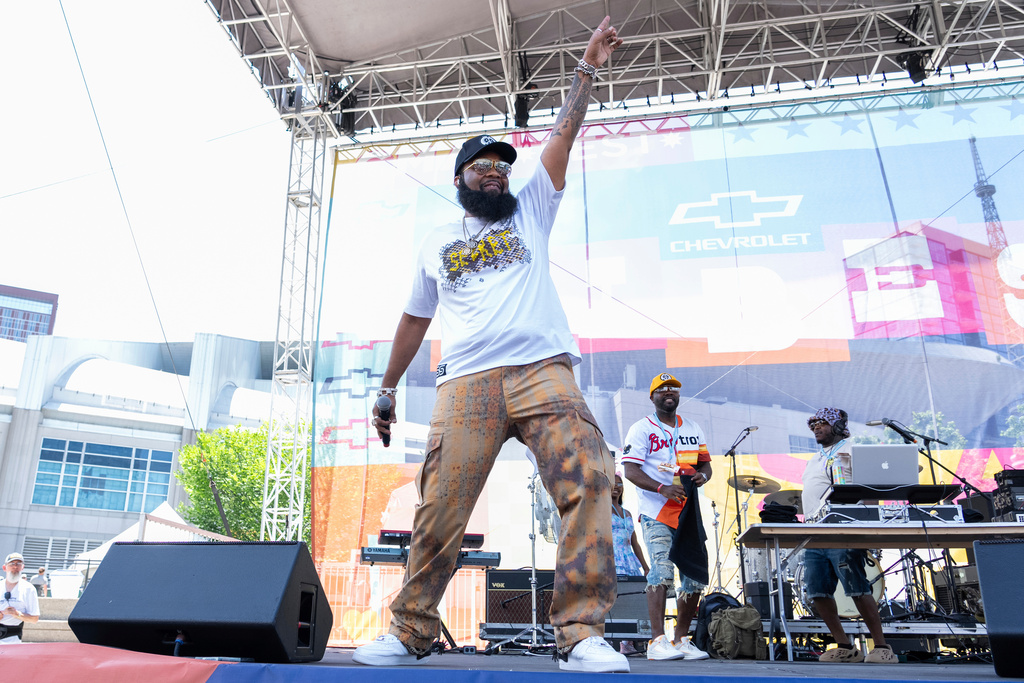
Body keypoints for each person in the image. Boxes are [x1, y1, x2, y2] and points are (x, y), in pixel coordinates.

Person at [353, 17, 626, 673]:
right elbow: (414, 321)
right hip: (465, 383)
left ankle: (581, 632)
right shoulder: (436, 241)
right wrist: (387, 390)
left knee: (588, 477)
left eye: (503, 166)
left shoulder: (532, 207)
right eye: (483, 166)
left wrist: (585, 69)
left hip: (543, 372)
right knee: (439, 507)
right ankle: (412, 629)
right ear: (460, 178)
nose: (497, 173)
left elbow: (563, 134)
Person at [622, 373, 712, 662]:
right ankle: (656, 640)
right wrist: (662, 488)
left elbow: (706, 466)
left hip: (688, 512)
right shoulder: (641, 429)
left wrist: (702, 476)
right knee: (661, 572)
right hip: (657, 512)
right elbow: (631, 471)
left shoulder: (693, 427)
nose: (668, 393)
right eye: (662, 390)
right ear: (652, 397)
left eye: (673, 389)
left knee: (694, 576)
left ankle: (681, 639)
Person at [801, 408, 897, 664]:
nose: (816, 428)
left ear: (837, 425)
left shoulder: (853, 449)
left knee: (856, 586)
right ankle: (844, 645)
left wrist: (862, 522)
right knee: (817, 590)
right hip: (815, 531)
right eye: (813, 425)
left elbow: (872, 487)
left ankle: (882, 646)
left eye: (822, 423)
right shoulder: (814, 458)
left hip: (843, 529)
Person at [611, 472, 649, 655]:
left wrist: (646, 566)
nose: (616, 487)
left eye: (619, 484)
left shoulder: (627, 513)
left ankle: (629, 642)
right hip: (613, 560)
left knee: (633, 599)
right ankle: (619, 642)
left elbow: (635, 543)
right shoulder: (601, 510)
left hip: (629, 561)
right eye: (613, 483)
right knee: (617, 601)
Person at [1, 553, 40, 643]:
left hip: (12, 639)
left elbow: (34, 619)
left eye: (18, 564)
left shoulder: (28, 589)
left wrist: (17, 614)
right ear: (4, 568)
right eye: (11, 564)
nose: (15, 567)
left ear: (22, 567)